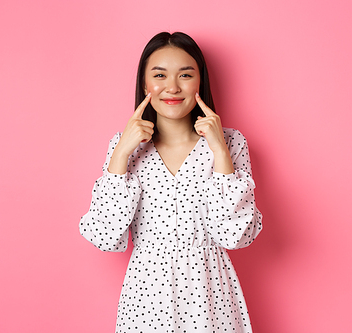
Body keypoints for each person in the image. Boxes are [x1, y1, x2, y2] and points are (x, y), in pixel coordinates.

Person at [80, 31, 263, 333]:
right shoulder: (124, 147)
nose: (173, 87)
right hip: (146, 298)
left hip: (210, 296)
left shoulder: (231, 143)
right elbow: (104, 234)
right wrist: (122, 152)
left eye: (186, 75)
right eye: (160, 75)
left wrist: (219, 151)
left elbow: (234, 235)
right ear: (144, 84)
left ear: (200, 81)